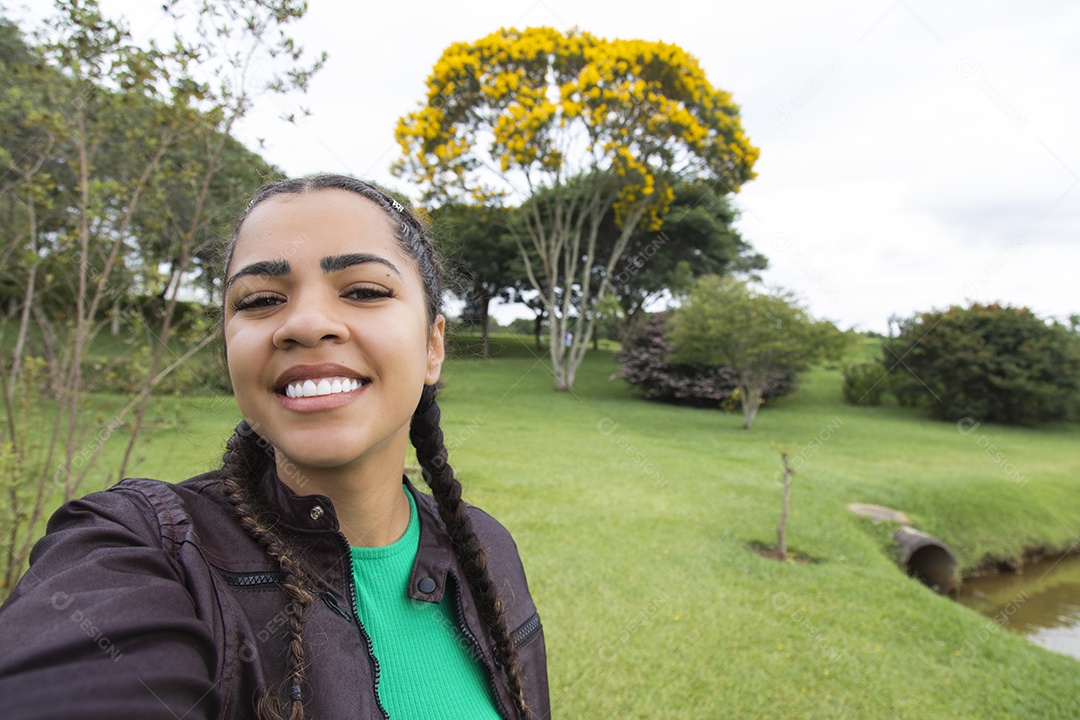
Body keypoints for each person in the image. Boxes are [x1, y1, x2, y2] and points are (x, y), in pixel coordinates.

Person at [0, 174, 549, 719]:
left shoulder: (485, 547)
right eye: (261, 300)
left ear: (433, 347)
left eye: (363, 291)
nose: (305, 324)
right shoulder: (147, 545)